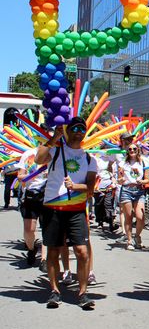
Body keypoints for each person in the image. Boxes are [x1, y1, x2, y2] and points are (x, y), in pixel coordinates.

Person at [35, 117, 98, 309]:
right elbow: (38, 159)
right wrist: (55, 137)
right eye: (75, 128)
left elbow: (90, 188)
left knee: (82, 252)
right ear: (67, 131)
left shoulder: (89, 159)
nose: (78, 131)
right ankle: (55, 291)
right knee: (53, 251)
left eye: (82, 128)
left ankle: (82, 293)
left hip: (77, 211)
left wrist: (76, 186)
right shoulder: (55, 151)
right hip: (53, 209)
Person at [15, 146, 47, 266]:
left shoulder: (55, 154)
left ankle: (44, 259)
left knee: (47, 228)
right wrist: (34, 174)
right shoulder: (29, 154)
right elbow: (20, 176)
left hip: (49, 195)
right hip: (31, 195)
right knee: (29, 229)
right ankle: (31, 249)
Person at [118, 143, 149, 250]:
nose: (132, 150)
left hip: (139, 190)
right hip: (126, 190)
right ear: (127, 151)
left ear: (138, 150)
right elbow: (119, 178)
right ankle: (129, 240)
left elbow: (147, 179)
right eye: (130, 149)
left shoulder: (143, 162)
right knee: (128, 216)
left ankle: (137, 236)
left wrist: (142, 181)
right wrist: (120, 180)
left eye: (134, 149)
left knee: (140, 217)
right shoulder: (123, 163)